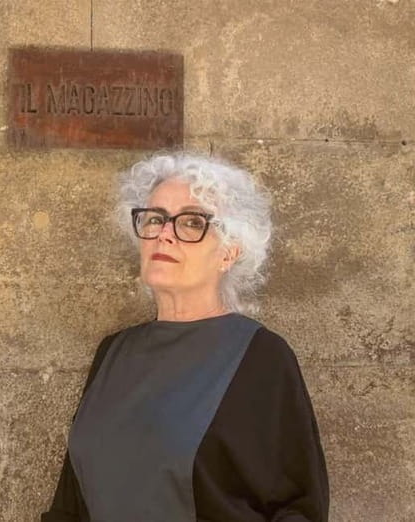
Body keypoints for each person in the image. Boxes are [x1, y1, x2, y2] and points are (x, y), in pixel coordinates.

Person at [42, 152, 329, 521]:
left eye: (191, 223)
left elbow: (299, 508)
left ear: (230, 251)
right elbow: (70, 503)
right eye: (156, 218)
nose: (165, 234)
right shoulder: (114, 352)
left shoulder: (260, 357)